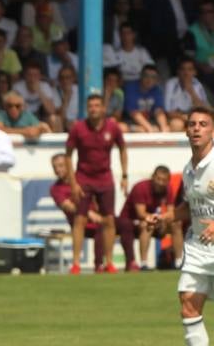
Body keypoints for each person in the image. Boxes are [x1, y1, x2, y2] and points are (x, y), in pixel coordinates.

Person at [65, 94, 129, 273]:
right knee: (80, 220)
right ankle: (76, 263)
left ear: (103, 108)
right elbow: (68, 155)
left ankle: (109, 262)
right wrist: (73, 182)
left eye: (97, 105)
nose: (93, 108)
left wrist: (124, 175)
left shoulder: (113, 127)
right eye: (90, 105)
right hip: (83, 178)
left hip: (105, 178)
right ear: (87, 108)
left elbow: (123, 149)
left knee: (109, 220)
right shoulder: (78, 128)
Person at [175, 107, 214, 346]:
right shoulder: (189, 168)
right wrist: (165, 218)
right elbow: (190, 206)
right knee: (188, 303)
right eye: (192, 124)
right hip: (200, 248)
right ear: (186, 131)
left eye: (203, 124)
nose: (197, 128)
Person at [121, 164, 180, 272]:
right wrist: (158, 219)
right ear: (152, 176)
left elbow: (171, 212)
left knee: (176, 224)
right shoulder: (140, 187)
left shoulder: (168, 189)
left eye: (164, 180)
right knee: (147, 225)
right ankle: (144, 264)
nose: (160, 182)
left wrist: (162, 219)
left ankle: (179, 262)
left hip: (154, 219)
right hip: (131, 221)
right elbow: (141, 213)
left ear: (168, 181)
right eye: (158, 179)